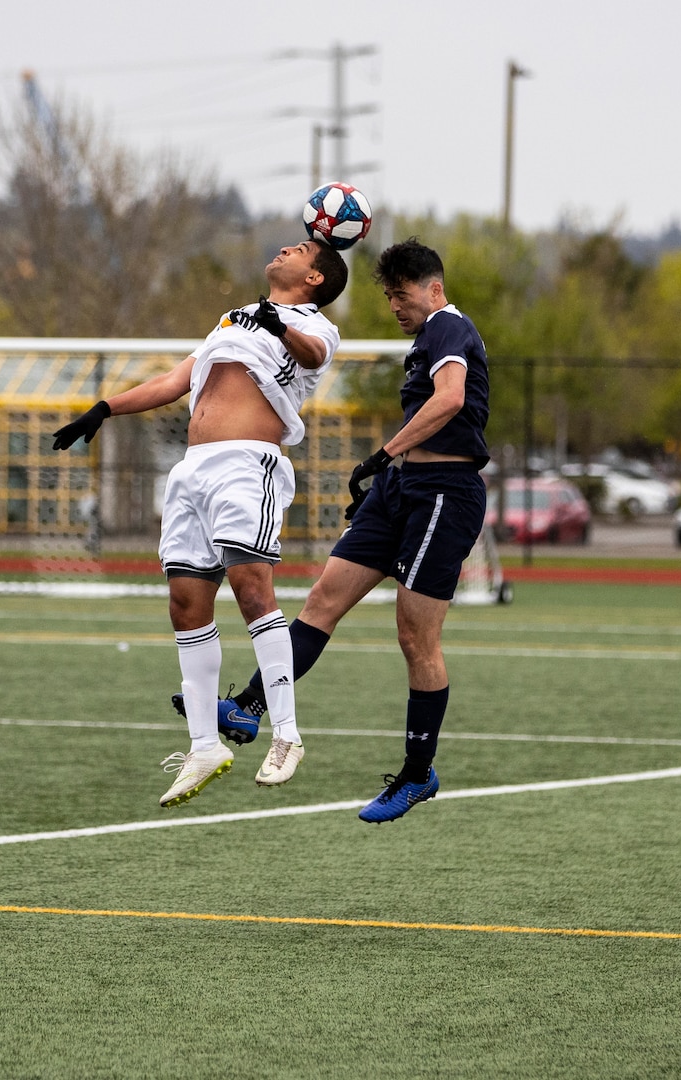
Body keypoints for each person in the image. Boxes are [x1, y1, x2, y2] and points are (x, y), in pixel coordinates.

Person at [52, 239, 348, 807]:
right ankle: (204, 745)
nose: (287, 247)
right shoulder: (232, 321)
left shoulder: (313, 324)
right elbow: (177, 379)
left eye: (301, 248)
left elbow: (310, 355)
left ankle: (287, 734)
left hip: (246, 463)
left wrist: (277, 326)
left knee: (252, 589)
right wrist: (105, 408)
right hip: (193, 470)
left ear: (314, 278)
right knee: (185, 603)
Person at [203, 238, 490, 822]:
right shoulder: (424, 340)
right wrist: (387, 473)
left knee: (415, 637)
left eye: (400, 294)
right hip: (399, 492)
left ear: (433, 289)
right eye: (387, 295)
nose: (394, 305)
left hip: (444, 494)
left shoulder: (448, 326)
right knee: (321, 601)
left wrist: (383, 455)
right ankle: (249, 707)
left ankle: (417, 774)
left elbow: (451, 400)